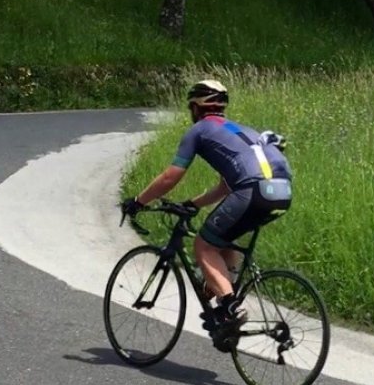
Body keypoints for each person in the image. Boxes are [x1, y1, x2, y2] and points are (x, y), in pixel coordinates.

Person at [120, 79, 292, 351]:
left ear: (196, 107)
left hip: (252, 191)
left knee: (203, 245)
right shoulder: (241, 130)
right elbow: (226, 185)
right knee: (224, 238)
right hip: (281, 192)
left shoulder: (200, 131)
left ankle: (230, 306)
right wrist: (194, 203)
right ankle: (226, 296)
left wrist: (138, 202)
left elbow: (170, 177)